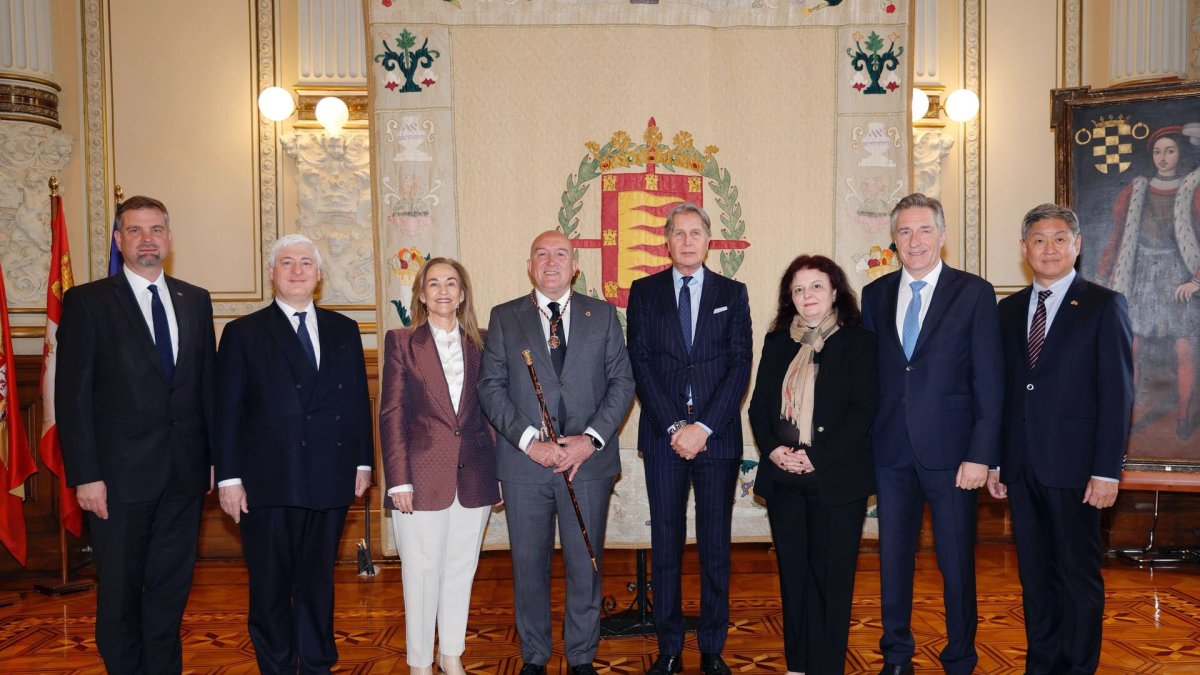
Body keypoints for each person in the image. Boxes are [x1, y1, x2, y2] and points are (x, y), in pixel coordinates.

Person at [56, 195, 216, 674]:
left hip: (184, 477)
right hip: (117, 482)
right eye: (135, 230)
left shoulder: (195, 299)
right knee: (120, 595)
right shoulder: (87, 302)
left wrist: (213, 460)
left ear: (169, 238)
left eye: (156, 230)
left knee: (170, 591)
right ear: (119, 240)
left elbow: (206, 386)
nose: (147, 240)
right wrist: (85, 475)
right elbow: (72, 398)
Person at [477, 230, 635, 675]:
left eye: (560, 254)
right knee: (529, 567)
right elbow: (490, 387)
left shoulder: (602, 314)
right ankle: (534, 656)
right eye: (541, 254)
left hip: (588, 464)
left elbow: (622, 382)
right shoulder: (505, 316)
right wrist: (532, 443)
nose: (551, 261)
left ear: (575, 266)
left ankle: (582, 655)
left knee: (586, 565)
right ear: (529, 266)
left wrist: (590, 439)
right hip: (526, 465)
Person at [214, 233, 373, 674]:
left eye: (306, 262)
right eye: (287, 262)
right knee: (270, 585)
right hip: (267, 481)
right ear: (272, 273)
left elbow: (356, 401)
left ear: (319, 274)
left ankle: (317, 662)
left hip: (330, 475)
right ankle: (278, 665)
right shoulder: (243, 333)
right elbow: (226, 411)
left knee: (318, 581)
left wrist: (363, 462)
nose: (297, 270)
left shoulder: (344, 329)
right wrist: (228, 478)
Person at [860, 193, 1003, 675]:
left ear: (942, 236)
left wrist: (981, 454)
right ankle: (896, 656)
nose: (915, 240)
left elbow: (989, 380)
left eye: (924, 230)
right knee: (893, 562)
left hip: (955, 456)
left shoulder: (974, 293)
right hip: (890, 452)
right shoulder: (875, 295)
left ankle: (959, 657)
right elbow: (871, 377)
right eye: (904, 231)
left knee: (956, 563)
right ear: (894, 240)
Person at [988, 203, 1134, 674]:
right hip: (1021, 467)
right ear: (1024, 248)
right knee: (1035, 579)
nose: (1048, 248)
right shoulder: (1008, 310)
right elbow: (1003, 391)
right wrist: (997, 461)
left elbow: (1117, 395)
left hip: (1078, 469)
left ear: (1077, 245)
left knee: (1077, 578)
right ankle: (1042, 664)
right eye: (1038, 239)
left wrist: (1107, 470)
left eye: (1058, 239)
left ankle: (1077, 667)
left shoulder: (1103, 305)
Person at [625, 202, 752, 675]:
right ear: (667, 240)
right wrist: (676, 427)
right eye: (678, 233)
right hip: (664, 438)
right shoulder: (645, 292)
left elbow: (740, 363)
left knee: (715, 546)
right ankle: (669, 648)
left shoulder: (732, 293)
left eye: (695, 233)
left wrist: (704, 428)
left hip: (717, 439)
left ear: (708, 240)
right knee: (666, 545)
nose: (687, 241)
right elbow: (639, 362)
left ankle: (713, 647)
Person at [748, 254, 878, 675]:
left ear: (835, 291)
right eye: (799, 289)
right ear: (790, 297)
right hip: (784, 479)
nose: (808, 296)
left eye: (816, 286)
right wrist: (773, 450)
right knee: (794, 578)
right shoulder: (777, 342)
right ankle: (797, 665)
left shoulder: (859, 342)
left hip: (837, 479)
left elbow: (862, 411)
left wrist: (815, 456)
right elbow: (759, 408)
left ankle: (826, 666)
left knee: (832, 581)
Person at [379, 258, 500, 675]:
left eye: (451, 283)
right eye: (434, 284)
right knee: (421, 572)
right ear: (422, 294)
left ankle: (451, 655)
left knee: (461, 569)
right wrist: (398, 481)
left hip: (475, 474)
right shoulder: (401, 341)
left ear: (462, 294)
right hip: (419, 478)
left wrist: (499, 475)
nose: (443, 291)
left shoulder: (483, 342)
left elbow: (492, 413)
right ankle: (419, 663)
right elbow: (392, 414)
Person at [1097, 125, 1200, 440]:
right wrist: (1102, 277)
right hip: (1140, 274)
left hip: (1177, 276)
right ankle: (1126, 417)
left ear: (1180, 153)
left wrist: (1196, 280)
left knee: (1184, 348)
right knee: (1132, 348)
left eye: (1170, 151)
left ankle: (1183, 417)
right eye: (1157, 151)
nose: (1163, 157)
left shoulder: (1193, 188)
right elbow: (1117, 237)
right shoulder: (1136, 190)